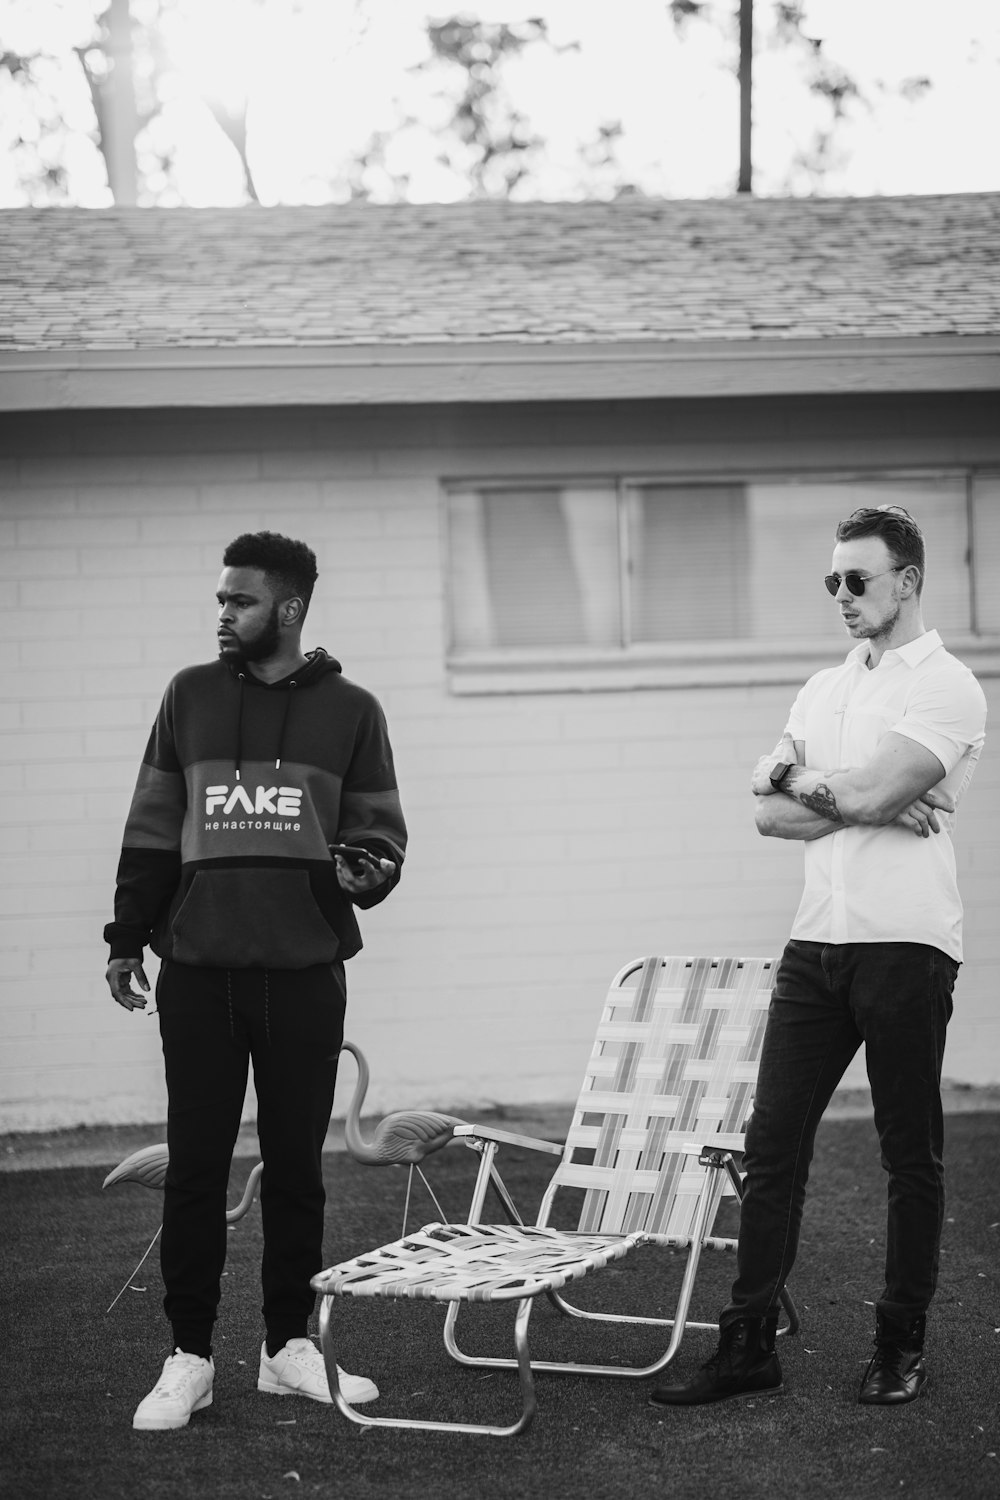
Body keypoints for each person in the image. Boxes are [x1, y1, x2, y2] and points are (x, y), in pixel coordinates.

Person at [650, 504, 986, 1411]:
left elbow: (869, 787)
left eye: (858, 579)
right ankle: (748, 1345)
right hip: (815, 944)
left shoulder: (947, 686)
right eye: (831, 580)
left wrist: (832, 785)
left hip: (906, 946)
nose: (841, 595)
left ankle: (897, 1345)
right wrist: (845, 792)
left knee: (907, 1155)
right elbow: (769, 811)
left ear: (907, 581)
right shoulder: (821, 690)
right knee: (772, 1145)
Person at [104, 531, 407, 1431]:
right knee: (197, 1170)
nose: (224, 615)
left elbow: (382, 838)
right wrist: (127, 937)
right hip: (198, 972)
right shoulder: (188, 696)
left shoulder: (354, 709)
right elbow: (154, 823)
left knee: (297, 1174)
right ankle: (188, 1357)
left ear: (289, 607)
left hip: (304, 972)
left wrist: (368, 873)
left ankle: (288, 1350)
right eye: (220, 601)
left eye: (239, 601)